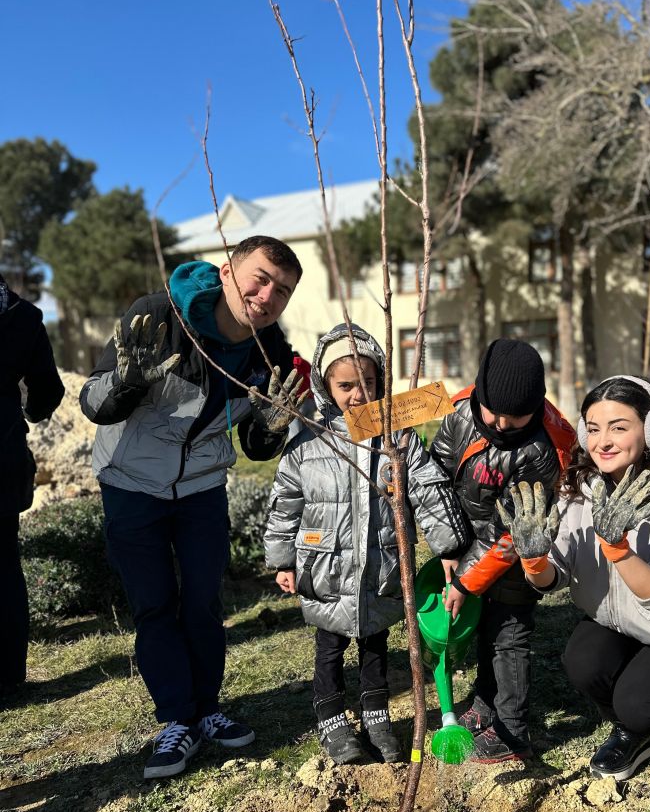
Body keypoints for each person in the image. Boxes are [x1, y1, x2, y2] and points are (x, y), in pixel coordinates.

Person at [80, 236, 307, 779]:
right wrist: (125, 382)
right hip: (131, 484)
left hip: (202, 489)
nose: (268, 295)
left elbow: (255, 445)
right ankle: (175, 721)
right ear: (227, 271)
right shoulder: (157, 316)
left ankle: (207, 710)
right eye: (260, 278)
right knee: (155, 604)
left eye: (283, 290)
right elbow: (92, 401)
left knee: (204, 602)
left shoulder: (270, 351)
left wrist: (272, 426)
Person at [499, 374, 650, 801]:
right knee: (583, 662)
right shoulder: (582, 489)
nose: (602, 442)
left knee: (641, 702)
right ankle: (637, 734)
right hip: (622, 621)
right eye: (593, 429)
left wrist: (618, 550)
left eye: (619, 427)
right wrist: (535, 559)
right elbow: (553, 575)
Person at [264, 323, 470, 764]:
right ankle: (332, 718)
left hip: (382, 566)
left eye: (369, 383)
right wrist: (282, 559)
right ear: (324, 385)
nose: (359, 395)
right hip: (326, 567)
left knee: (376, 642)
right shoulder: (307, 437)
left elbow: (427, 487)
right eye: (346, 386)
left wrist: (448, 547)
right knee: (330, 646)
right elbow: (286, 499)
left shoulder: (396, 434)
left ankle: (376, 713)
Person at [429, 338, 576, 763]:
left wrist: (464, 581)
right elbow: (437, 470)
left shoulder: (544, 451)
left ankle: (512, 730)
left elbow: (510, 531)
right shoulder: (460, 410)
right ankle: (485, 704)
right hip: (465, 541)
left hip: (514, 554)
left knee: (509, 635)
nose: (502, 423)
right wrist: (447, 542)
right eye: (493, 411)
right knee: (482, 628)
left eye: (516, 416)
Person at [0, 272, 65, 702]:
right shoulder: (22, 316)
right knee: (3, 567)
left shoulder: (23, 315)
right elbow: (47, 391)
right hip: (2, 454)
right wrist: (26, 408)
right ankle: (7, 678)